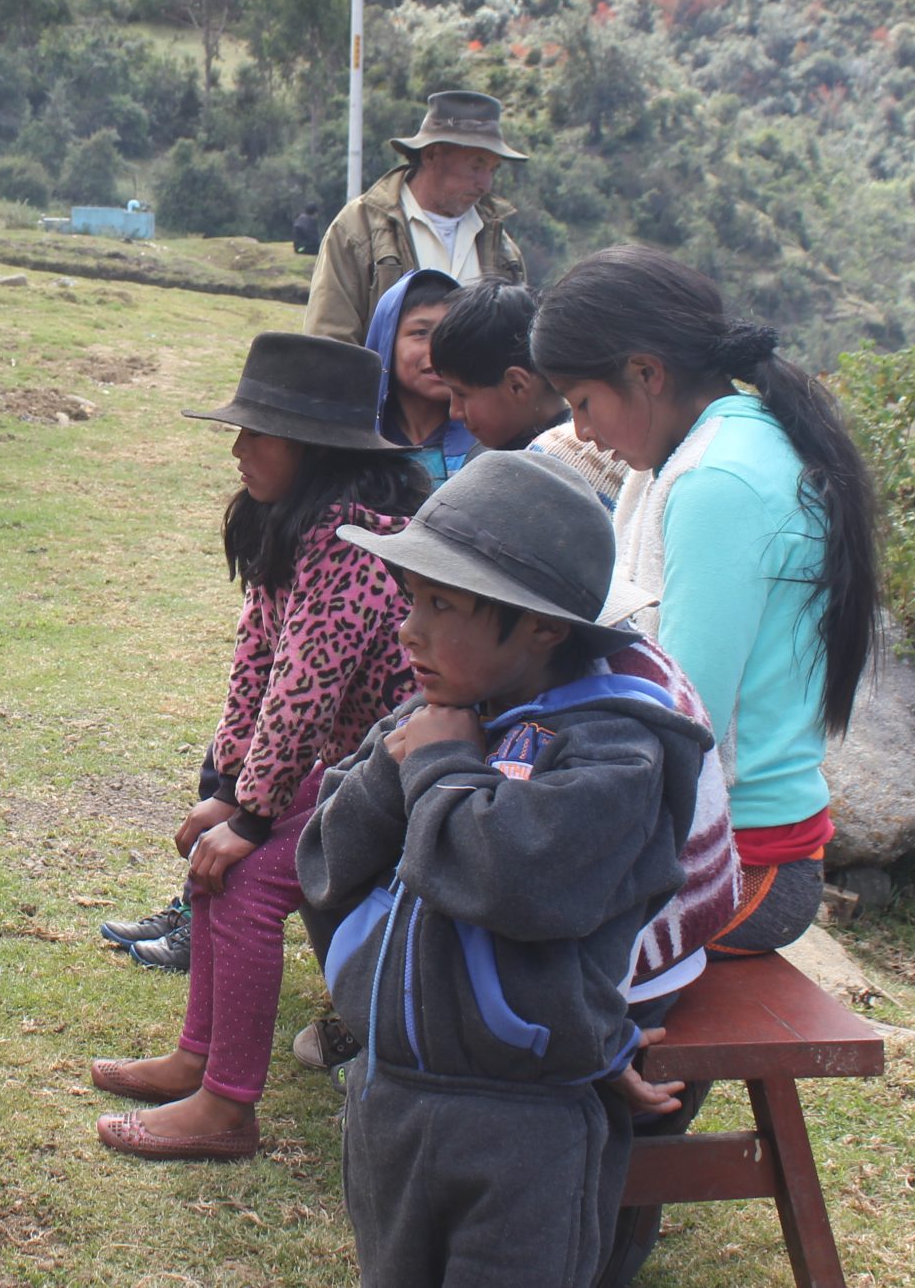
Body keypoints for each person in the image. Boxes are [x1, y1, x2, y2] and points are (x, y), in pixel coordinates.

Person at [298, 451, 710, 1288]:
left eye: (442, 604)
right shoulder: (435, 718)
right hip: (392, 1095)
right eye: (412, 598)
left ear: (543, 626)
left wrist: (439, 770)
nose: (408, 627)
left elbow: (512, 876)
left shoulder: (615, 752)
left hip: (525, 1122)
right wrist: (392, 767)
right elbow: (326, 862)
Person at [89, 333, 420, 1160]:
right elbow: (259, 667)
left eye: (257, 433)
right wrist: (233, 791)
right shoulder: (290, 521)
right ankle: (197, 1058)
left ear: (314, 447)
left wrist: (255, 817)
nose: (238, 450)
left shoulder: (354, 540)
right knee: (217, 849)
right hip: (353, 767)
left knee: (238, 876)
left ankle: (227, 1106)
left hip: (411, 773)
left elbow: (307, 693)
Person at [531, 245, 881, 955]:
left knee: (513, 924)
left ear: (646, 373)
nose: (583, 432)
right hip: (727, 847)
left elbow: (681, 719)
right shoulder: (726, 448)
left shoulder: (718, 482)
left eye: (583, 403)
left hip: (742, 866)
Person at [304, 90, 528, 344]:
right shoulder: (358, 229)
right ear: (431, 154)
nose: (485, 185)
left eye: (492, 169)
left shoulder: (501, 246)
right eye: (475, 167)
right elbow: (329, 341)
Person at [427, 276, 629, 504]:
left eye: (462, 394)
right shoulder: (488, 452)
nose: (454, 411)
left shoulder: (574, 462)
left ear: (517, 384)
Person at [366, 267, 476, 485]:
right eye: (421, 333)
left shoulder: (484, 444)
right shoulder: (353, 446)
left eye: (452, 334)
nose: (439, 349)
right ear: (386, 342)